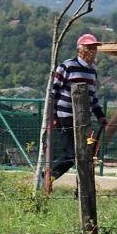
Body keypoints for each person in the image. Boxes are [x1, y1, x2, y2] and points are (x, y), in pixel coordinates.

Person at [48, 33, 109, 180]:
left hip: (84, 118)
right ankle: (47, 178)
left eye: (94, 48)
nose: (93, 51)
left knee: (85, 154)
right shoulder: (67, 66)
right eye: (89, 48)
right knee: (72, 154)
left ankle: (81, 189)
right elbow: (53, 92)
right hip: (66, 116)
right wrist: (54, 116)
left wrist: (100, 116)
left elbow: (93, 97)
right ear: (80, 50)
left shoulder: (93, 70)